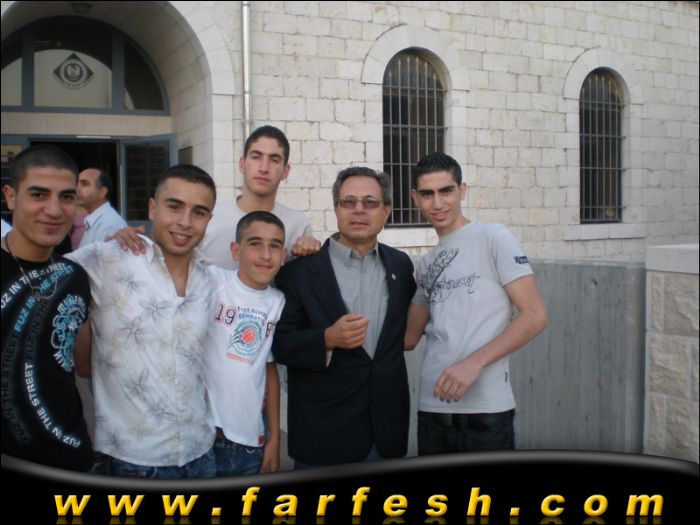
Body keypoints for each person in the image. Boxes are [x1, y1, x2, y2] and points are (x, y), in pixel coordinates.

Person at [66, 165, 217, 479]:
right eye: (174, 207)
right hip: (133, 462)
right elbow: (32, 269)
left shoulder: (210, 279)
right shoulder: (108, 259)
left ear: (209, 219)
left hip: (201, 453)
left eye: (199, 212)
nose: (185, 222)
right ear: (152, 208)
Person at [404, 152, 548, 455]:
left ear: (462, 190)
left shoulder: (493, 237)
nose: (438, 203)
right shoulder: (426, 264)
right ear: (415, 197)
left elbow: (535, 315)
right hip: (431, 413)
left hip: (486, 416)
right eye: (427, 194)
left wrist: (473, 363)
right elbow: (408, 338)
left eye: (446, 191)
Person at [272, 167, 416, 468]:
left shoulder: (401, 266)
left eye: (370, 202)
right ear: (336, 208)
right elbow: (280, 344)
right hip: (323, 435)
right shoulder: (299, 273)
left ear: (387, 210)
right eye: (348, 202)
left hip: (386, 434)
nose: (359, 210)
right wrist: (326, 339)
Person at [1, 144, 93, 471]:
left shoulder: (74, 276)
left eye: (66, 197)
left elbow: (82, 364)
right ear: (11, 197)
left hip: (71, 458)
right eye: (38, 195)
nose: (54, 210)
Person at [205, 211, 286, 475]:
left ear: (283, 255)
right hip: (205, 435)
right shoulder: (212, 281)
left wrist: (274, 438)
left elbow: (269, 370)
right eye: (255, 244)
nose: (266, 255)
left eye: (275, 246)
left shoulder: (278, 303)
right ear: (235, 250)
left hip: (251, 441)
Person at [199, 125, 320, 269]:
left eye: (274, 160)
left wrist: (311, 252)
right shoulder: (210, 220)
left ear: (285, 171)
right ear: (242, 164)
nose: (263, 168)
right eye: (256, 157)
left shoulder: (298, 225)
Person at [76, 168, 126, 248]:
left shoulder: (108, 224)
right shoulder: (97, 219)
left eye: (84, 184)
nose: (76, 189)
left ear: (102, 192)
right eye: (76, 184)